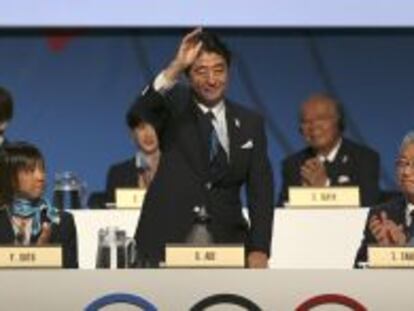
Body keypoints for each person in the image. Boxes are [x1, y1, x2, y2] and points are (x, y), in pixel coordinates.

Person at [133, 29, 274, 268]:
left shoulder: (251, 122)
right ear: (188, 78)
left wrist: (260, 248)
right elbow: (142, 110)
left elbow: (261, 190)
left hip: (227, 241)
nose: (212, 79)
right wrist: (176, 66)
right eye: (201, 71)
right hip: (166, 239)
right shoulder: (174, 108)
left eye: (219, 70)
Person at [278, 93, 380, 207]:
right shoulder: (292, 164)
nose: (313, 127)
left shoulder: (365, 159)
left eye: (321, 119)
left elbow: (368, 205)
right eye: (306, 121)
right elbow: (282, 210)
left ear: (339, 122)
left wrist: (325, 187)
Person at [0, 142, 78, 268]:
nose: (40, 177)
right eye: (30, 171)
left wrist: (43, 254)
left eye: (42, 170)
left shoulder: (61, 221)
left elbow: (70, 277)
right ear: (10, 176)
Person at [355, 131, 414, 264]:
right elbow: (359, 268)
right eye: (403, 163)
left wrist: (404, 250)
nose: (406, 172)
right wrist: (382, 252)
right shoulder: (381, 214)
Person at [105, 104, 161, 203]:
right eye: (141, 127)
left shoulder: (178, 170)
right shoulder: (118, 174)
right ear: (132, 134)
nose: (148, 134)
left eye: (153, 127)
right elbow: (111, 214)